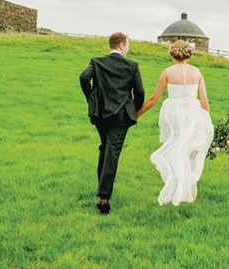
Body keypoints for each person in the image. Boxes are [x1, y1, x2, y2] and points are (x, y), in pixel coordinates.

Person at [137, 40, 214, 206]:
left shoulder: (167, 72)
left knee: (177, 147)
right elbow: (205, 101)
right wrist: (207, 121)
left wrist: (138, 114)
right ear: (187, 53)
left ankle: (181, 183)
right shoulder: (197, 72)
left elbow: (153, 99)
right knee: (192, 149)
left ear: (172, 54)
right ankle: (191, 186)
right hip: (193, 113)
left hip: (174, 115)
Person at [79, 32, 145, 214]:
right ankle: (104, 197)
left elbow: (84, 78)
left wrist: (92, 98)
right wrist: (136, 111)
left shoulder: (96, 62)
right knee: (112, 151)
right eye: (128, 45)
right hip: (121, 116)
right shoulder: (132, 66)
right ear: (122, 45)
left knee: (105, 148)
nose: (128, 49)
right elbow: (139, 92)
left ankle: (102, 189)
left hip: (100, 113)